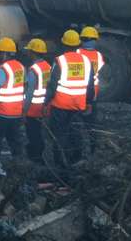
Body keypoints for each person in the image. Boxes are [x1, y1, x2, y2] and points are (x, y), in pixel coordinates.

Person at [43, 31, 96, 170]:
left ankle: (60, 164)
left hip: (60, 105)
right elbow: (90, 85)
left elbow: (52, 85)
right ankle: (76, 160)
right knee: (75, 133)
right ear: (78, 44)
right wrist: (89, 102)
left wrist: (45, 102)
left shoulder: (59, 61)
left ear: (63, 44)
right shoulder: (86, 61)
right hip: (78, 105)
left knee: (59, 134)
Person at [0, 38, 26, 161]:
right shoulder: (21, 67)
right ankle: (18, 166)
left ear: (6, 54)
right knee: (15, 142)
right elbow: (24, 86)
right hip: (16, 113)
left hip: (1, 113)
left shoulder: (3, 68)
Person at [22, 39, 52, 163]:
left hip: (33, 109)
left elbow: (29, 93)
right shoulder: (48, 67)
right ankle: (40, 155)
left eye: (29, 51)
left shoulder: (34, 70)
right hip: (45, 107)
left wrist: (24, 111)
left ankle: (36, 158)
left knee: (33, 135)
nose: (27, 53)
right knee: (40, 133)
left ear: (33, 52)